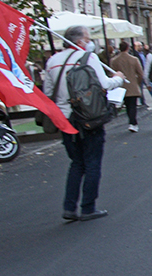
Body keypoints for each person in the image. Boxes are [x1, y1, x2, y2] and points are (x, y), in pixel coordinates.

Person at [42, 25, 125, 221]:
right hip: (89, 117)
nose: (90, 43)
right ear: (79, 41)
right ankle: (88, 206)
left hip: (65, 119)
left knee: (76, 163)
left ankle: (69, 206)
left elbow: (48, 92)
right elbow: (104, 84)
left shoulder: (53, 61)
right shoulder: (88, 58)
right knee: (92, 162)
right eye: (88, 39)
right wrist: (118, 79)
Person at [109, 40, 144, 132]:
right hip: (132, 85)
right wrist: (138, 82)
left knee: (128, 105)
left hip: (121, 85)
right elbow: (140, 73)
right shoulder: (134, 59)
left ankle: (132, 122)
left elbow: (111, 74)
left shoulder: (114, 60)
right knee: (133, 105)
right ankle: (133, 123)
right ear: (128, 48)